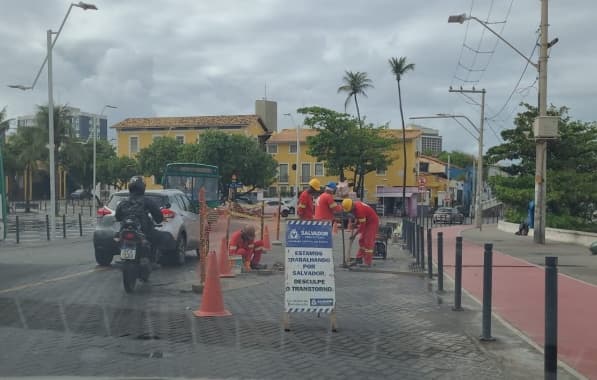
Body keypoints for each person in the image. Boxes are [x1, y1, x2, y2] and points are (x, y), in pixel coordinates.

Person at [115, 176, 164, 253]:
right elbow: (158, 216)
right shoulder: (147, 201)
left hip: (124, 230)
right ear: (142, 188)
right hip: (144, 231)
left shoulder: (123, 202)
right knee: (159, 237)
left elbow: (117, 217)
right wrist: (159, 220)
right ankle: (153, 258)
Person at [342, 198, 379, 267]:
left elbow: (362, 226)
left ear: (352, 206)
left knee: (368, 242)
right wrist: (355, 224)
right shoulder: (355, 207)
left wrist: (354, 235)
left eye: (350, 210)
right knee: (361, 240)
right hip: (367, 221)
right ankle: (359, 258)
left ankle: (367, 262)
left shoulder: (359, 209)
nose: (350, 211)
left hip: (372, 222)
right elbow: (359, 218)